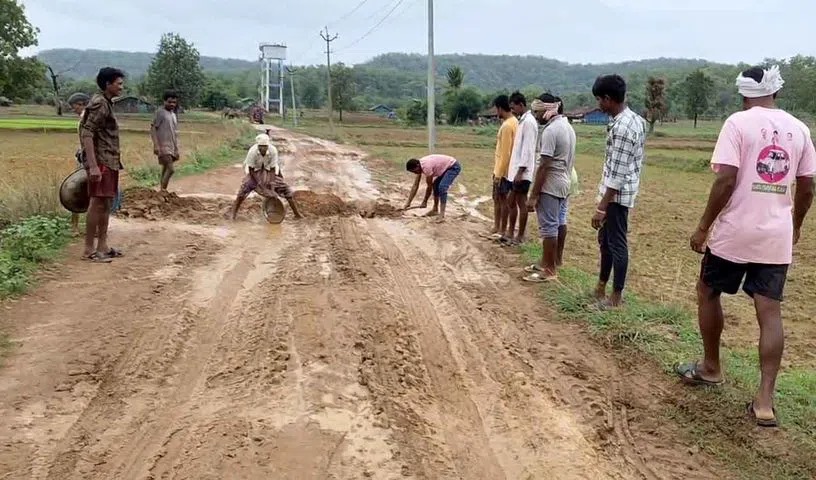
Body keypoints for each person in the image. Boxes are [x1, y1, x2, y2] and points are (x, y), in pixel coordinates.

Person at [677, 65, 815, 428]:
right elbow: (807, 187)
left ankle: (711, 367)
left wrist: (703, 226)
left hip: (735, 232)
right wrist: (795, 225)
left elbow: (725, 180)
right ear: (776, 92)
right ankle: (765, 401)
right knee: (769, 312)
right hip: (775, 236)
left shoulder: (737, 124)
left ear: (743, 94)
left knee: (707, 291)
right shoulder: (800, 129)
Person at [590, 74, 645, 308]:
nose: (598, 106)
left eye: (599, 100)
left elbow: (618, 174)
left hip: (617, 197)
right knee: (606, 241)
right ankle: (601, 288)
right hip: (617, 193)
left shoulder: (622, 128)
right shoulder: (635, 120)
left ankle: (615, 297)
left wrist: (602, 207)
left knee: (616, 244)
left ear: (608, 98)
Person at [524, 94, 576, 282]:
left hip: (551, 185)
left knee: (548, 228)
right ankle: (552, 261)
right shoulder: (567, 127)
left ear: (547, 110)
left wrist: (533, 195)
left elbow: (544, 165)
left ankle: (549, 270)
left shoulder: (551, 131)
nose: (535, 115)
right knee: (559, 222)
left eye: (537, 111)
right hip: (565, 182)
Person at [79, 67, 126, 263]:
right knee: (97, 203)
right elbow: (87, 133)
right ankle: (89, 249)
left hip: (110, 160)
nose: (121, 87)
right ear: (108, 84)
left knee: (105, 203)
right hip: (102, 161)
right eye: (119, 83)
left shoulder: (106, 103)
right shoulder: (99, 104)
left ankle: (102, 246)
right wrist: (93, 165)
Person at [229, 133, 303, 220]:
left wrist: (271, 190)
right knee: (244, 189)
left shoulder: (273, 150)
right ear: (258, 146)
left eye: (265, 146)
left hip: (268, 169)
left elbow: (272, 169)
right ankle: (233, 214)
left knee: (285, 189)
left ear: (268, 146)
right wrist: (262, 187)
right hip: (254, 170)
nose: (263, 148)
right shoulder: (252, 152)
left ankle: (297, 214)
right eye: (261, 146)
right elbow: (251, 170)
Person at [502, 91, 538, 246]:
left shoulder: (529, 122)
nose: (513, 110)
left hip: (522, 172)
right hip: (516, 171)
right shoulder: (522, 121)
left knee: (520, 203)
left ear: (521, 105)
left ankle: (520, 236)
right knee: (512, 202)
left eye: (514, 107)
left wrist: (520, 171)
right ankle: (511, 232)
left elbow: (528, 149)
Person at [486, 94, 518, 239]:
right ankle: (499, 227)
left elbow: (505, 152)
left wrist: (498, 174)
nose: (496, 112)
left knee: (500, 200)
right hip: (509, 170)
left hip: (503, 170)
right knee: (502, 200)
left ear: (500, 108)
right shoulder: (515, 122)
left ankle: (499, 227)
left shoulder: (506, 126)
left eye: (496, 109)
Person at [403, 154, 462, 222]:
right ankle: (435, 210)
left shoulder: (426, 167)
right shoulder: (419, 166)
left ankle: (442, 215)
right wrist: (408, 202)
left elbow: (429, 186)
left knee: (442, 187)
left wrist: (425, 201)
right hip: (446, 167)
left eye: (414, 171)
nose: (415, 173)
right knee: (435, 185)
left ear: (417, 166)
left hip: (453, 167)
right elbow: (415, 185)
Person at [67, 92, 90, 237]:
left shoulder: (86, 118)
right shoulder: (87, 117)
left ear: (81, 104)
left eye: (74, 107)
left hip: (86, 160)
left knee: (77, 191)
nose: (73, 110)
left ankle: (75, 227)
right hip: (84, 157)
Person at [151, 90, 180, 193]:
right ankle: (163, 191)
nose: (172, 104)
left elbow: (175, 133)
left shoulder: (173, 115)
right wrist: (156, 145)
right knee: (171, 169)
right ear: (164, 101)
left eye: (174, 102)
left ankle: (162, 190)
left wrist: (176, 148)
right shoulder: (160, 113)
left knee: (165, 168)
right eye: (169, 102)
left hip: (171, 146)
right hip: (163, 146)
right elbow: (153, 128)